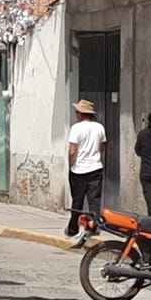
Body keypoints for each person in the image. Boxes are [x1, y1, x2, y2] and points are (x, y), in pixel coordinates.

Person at [65, 98, 107, 244]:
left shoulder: (76, 128)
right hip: (95, 167)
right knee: (94, 200)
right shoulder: (100, 128)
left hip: (79, 169)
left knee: (77, 200)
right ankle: (94, 226)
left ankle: (72, 228)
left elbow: (73, 151)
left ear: (81, 113)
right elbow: (102, 146)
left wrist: (71, 165)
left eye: (77, 111)